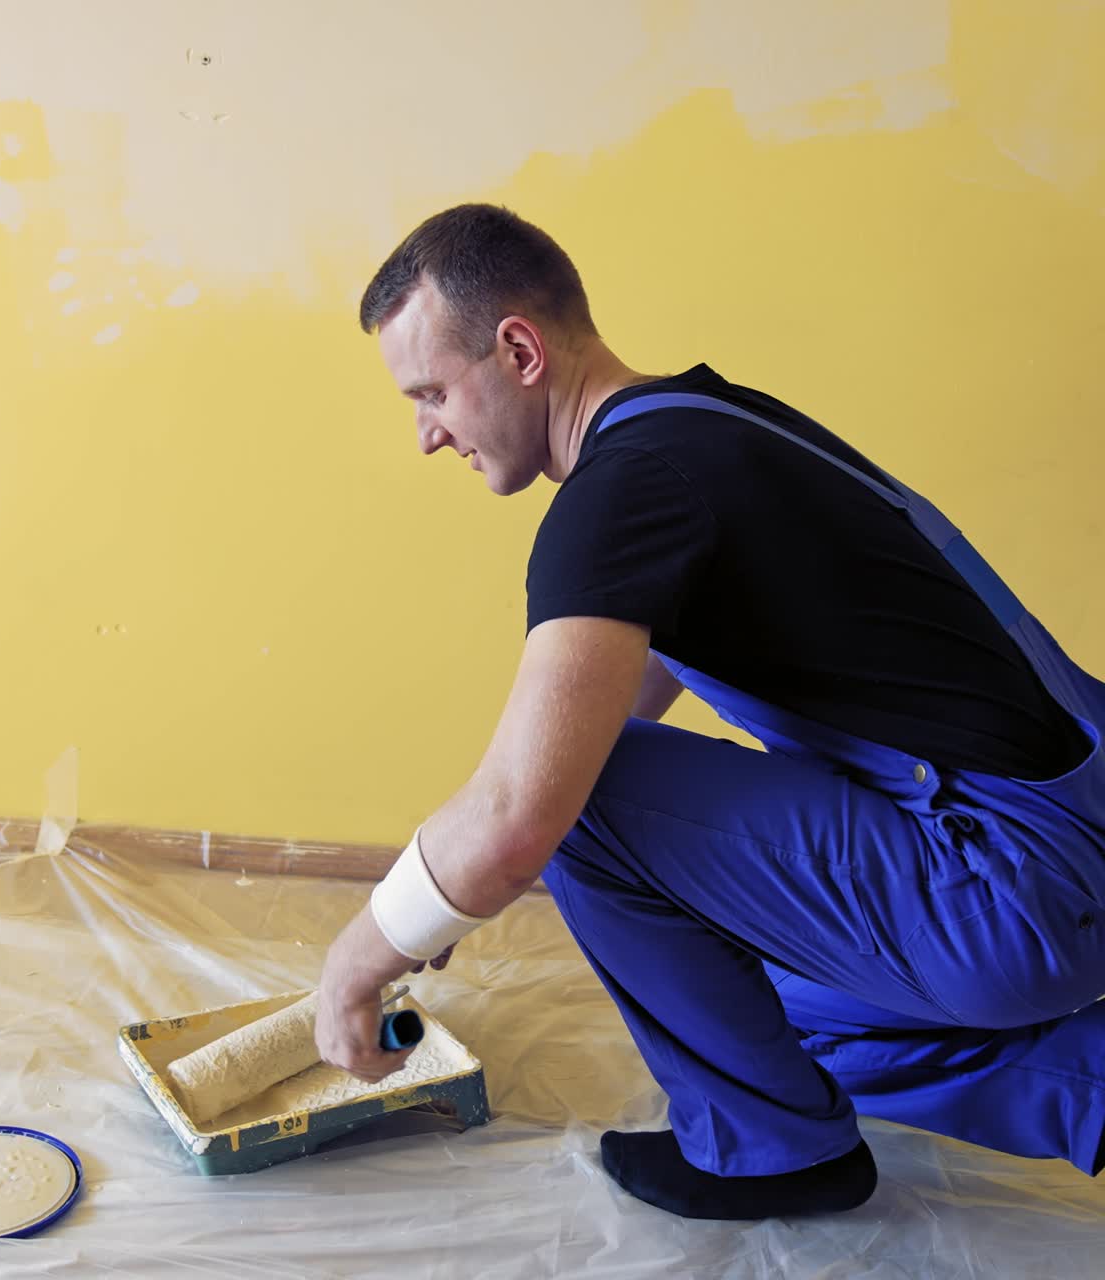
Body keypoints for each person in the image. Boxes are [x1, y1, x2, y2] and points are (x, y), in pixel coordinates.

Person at [313, 203, 1105, 1220]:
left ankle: (767, 1153)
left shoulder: (620, 495)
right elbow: (592, 727)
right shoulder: (711, 425)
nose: (427, 435)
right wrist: (446, 885)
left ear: (518, 350)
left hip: (1011, 885)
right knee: (755, 1014)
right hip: (1070, 853)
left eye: (430, 393)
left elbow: (528, 810)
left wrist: (357, 962)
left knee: (578, 804)